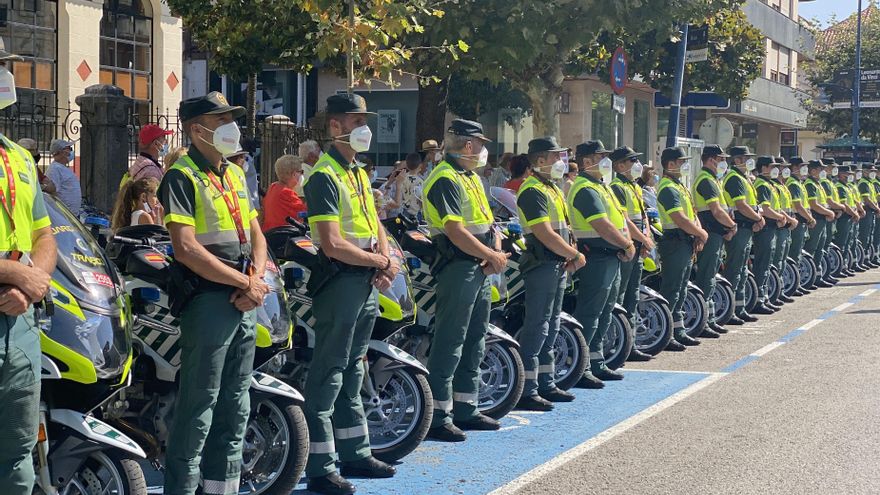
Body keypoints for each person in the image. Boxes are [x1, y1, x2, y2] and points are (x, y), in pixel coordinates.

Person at [158, 91, 270, 495]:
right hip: (209, 300)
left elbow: (256, 232)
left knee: (235, 404)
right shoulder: (181, 176)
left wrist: (255, 280)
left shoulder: (235, 173)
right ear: (196, 129)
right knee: (199, 405)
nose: (230, 128)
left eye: (230, 119)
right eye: (220, 120)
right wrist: (244, 283)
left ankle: (222, 488)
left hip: (244, 298)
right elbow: (185, 248)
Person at [301, 93, 399, 495]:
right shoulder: (323, 175)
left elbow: (375, 222)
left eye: (365, 120)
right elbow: (331, 242)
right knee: (329, 370)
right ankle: (321, 466)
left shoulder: (356, 172)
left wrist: (387, 256)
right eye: (356, 120)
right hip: (341, 281)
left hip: (364, 281)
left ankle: (355, 452)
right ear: (335, 126)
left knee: (354, 367)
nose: (365, 128)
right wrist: (377, 263)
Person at [421, 118, 508, 442]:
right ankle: (439, 417)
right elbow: (455, 230)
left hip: (481, 266)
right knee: (451, 342)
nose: (484, 150)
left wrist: (494, 250)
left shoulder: (470, 177)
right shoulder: (444, 178)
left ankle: (466, 409)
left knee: (475, 339)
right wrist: (492, 254)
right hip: (459, 268)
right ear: (469, 145)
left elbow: (488, 221)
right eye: (481, 144)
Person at [0, 40, 57, 492]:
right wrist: (17, 274)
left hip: (20, 323)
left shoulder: (17, 157)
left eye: (5, 66)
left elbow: (42, 235)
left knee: (18, 452)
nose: (6, 76)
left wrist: (32, 282)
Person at [514, 137, 582, 411]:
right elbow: (543, 232)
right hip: (542, 264)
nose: (561, 161)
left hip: (556, 264)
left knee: (552, 324)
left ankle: (546, 382)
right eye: (556, 156)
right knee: (537, 326)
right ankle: (528, 390)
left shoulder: (551, 188)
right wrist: (573, 254)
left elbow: (564, 227)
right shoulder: (532, 190)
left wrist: (570, 251)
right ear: (540, 160)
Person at [567, 140, 635, 386]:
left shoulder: (601, 186)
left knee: (605, 312)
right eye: (600, 156)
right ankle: (581, 367)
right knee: (590, 313)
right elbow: (602, 225)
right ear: (586, 162)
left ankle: (596, 362)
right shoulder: (585, 188)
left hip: (611, 256)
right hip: (596, 257)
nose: (606, 161)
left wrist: (626, 243)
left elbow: (620, 220)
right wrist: (627, 245)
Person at [656, 147, 707, 348]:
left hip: (685, 241)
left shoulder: (678, 186)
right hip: (675, 242)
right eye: (680, 162)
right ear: (670, 165)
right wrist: (700, 233)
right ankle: (667, 334)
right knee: (672, 289)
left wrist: (697, 232)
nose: (684, 165)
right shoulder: (668, 187)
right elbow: (679, 217)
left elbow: (691, 214)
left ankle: (678, 330)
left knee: (681, 288)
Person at [608, 146, 655, 360]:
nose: (637, 164)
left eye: (636, 159)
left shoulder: (632, 186)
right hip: (628, 246)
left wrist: (647, 238)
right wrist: (641, 239)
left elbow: (642, 214)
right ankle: (616, 343)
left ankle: (630, 343)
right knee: (621, 295)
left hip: (638, 246)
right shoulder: (617, 186)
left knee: (632, 295)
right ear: (619, 166)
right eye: (631, 160)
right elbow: (625, 220)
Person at [691, 145, 737, 337]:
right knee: (706, 278)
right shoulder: (706, 180)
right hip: (710, 234)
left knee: (710, 276)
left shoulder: (712, 179)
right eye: (720, 159)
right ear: (711, 160)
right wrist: (732, 226)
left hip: (715, 234)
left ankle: (708, 319)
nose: (723, 162)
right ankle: (703, 321)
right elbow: (716, 211)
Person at [721, 146, 764, 324]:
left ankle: (740, 307)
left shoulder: (743, 178)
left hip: (746, 228)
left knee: (742, 270)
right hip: (739, 228)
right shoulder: (734, 178)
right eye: (745, 158)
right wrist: (758, 218)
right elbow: (741, 205)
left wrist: (756, 216)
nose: (748, 161)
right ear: (737, 160)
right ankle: (730, 310)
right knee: (734, 270)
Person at [751, 156, 787, 314]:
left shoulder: (769, 184)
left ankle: (764, 297)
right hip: (765, 229)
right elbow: (765, 209)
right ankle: (759, 300)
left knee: (767, 264)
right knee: (762, 264)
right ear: (764, 168)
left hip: (772, 228)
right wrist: (780, 217)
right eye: (772, 166)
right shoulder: (762, 184)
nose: (776, 169)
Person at [803, 160, 836, 287]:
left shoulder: (818, 183)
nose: (823, 171)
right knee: (811, 248)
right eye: (820, 169)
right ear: (813, 171)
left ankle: (817, 276)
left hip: (822, 220)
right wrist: (829, 212)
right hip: (816, 219)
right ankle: (808, 278)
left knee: (819, 249)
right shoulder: (810, 184)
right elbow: (813, 204)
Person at [785, 157, 816, 294]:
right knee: (794, 254)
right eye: (802, 166)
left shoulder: (799, 182)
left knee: (797, 254)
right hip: (797, 223)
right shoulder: (793, 183)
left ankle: (795, 284)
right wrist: (810, 218)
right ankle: (792, 285)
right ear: (794, 167)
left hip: (800, 222)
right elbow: (798, 206)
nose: (805, 168)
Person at [261, 154, 307, 231]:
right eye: (301, 172)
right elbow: (303, 212)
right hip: (282, 235)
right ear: (294, 174)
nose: (302, 175)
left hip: (270, 233)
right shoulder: (286, 192)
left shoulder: (273, 187)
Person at [42, 139, 81, 216]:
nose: (71, 152)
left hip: (71, 214)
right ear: (62, 151)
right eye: (69, 149)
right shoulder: (55, 169)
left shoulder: (62, 168)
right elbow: (53, 190)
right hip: (64, 214)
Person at [833, 165, 859, 277]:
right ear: (840, 174)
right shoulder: (840, 186)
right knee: (842, 243)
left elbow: (853, 201)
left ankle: (844, 266)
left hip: (850, 217)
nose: (848, 176)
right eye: (846, 174)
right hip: (844, 218)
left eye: (849, 174)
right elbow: (844, 204)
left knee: (848, 243)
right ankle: (839, 268)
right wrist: (854, 213)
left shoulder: (847, 186)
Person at [859, 163, 880, 268]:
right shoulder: (864, 183)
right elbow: (867, 200)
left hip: (872, 212)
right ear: (864, 171)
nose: (873, 173)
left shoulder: (870, 182)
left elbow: (875, 198)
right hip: (866, 212)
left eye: (874, 171)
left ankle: (867, 258)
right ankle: (862, 259)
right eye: (870, 171)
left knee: (870, 236)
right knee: (864, 236)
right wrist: (877, 208)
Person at [396, 152, 424, 218]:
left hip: (403, 211)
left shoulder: (402, 178)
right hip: (416, 212)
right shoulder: (420, 181)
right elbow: (421, 199)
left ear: (406, 165)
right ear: (420, 165)